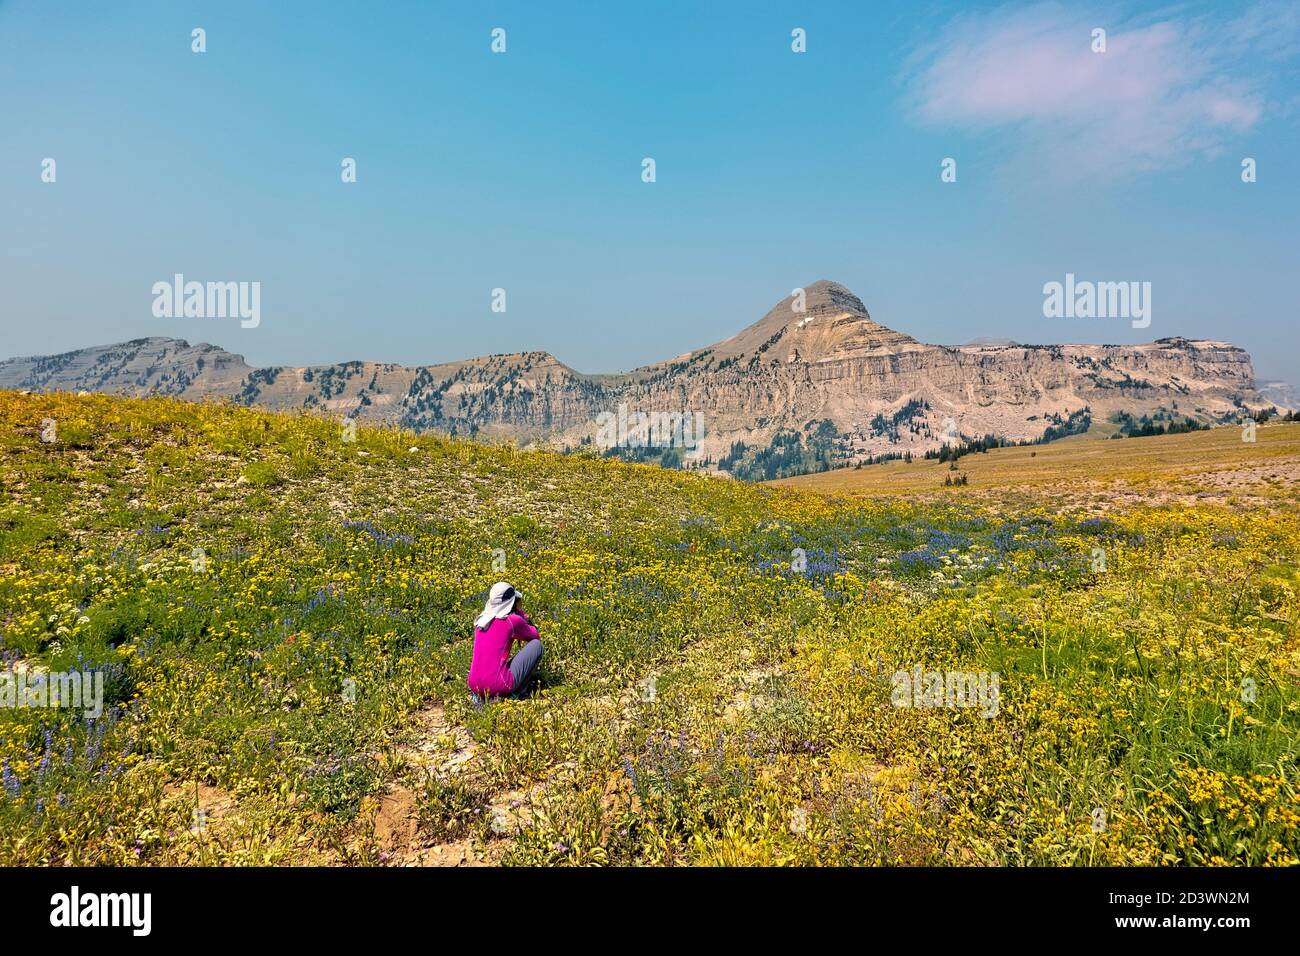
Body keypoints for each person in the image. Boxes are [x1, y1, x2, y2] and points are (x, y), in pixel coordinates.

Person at [467, 582, 544, 701]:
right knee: (537, 646)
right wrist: (522, 615)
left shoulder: (480, 621)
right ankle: (518, 693)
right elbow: (535, 635)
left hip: (474, 685)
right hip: (497, 685)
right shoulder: (512, 621)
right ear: (512, 603)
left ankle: (480, 697)